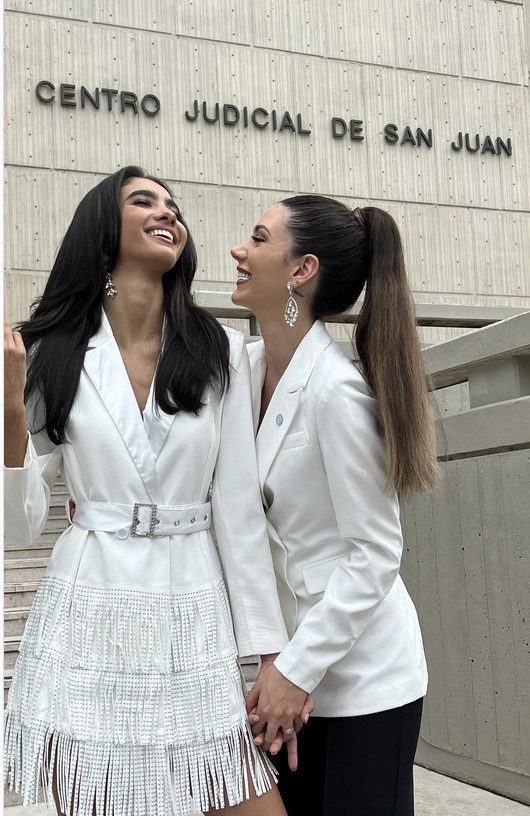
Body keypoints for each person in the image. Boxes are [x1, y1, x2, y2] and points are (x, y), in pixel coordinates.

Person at [3, 166, 300, 816]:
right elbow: (17, 527)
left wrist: (273, 655)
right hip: (91, 607)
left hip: (188, 608)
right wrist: (13, 416)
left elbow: (239, 514)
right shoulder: (51, 352)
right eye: (144, 202)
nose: (167, 213)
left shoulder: (219, 347)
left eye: (173, 207)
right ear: (102, 231)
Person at [230, 196, 438, 816]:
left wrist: (295, 670)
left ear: (302, 269)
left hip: (364, 682)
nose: (240, 250)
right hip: (288, 677)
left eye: (259, 239)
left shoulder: (337, 395)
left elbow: (376, 553)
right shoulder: (245, 372)